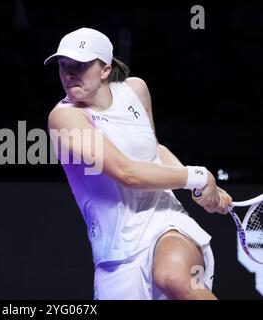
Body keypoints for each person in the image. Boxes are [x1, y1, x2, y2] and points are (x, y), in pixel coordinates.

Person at [44, 27, 232, 300]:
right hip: (117, 253)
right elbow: (126, 172)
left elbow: (153, 150)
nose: (69, 73)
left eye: (80, 65)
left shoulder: (136, 90)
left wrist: (197, 190)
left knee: (173, 278)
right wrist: (200, 177)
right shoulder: (64, 119)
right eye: (63, 65)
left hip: (164, 220)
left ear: (105, 69)